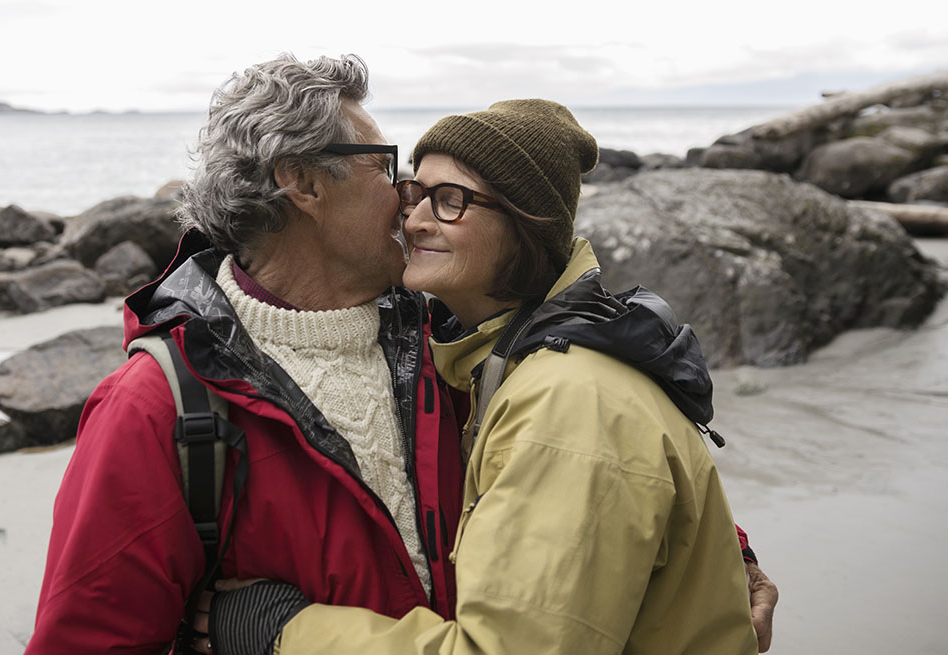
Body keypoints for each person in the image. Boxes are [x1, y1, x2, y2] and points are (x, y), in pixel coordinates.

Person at [199, 100, 769, 654]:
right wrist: (725, 553)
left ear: (526, 227)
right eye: (414, 193)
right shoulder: (486, 359)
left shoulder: (565, 401)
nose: (415, 220)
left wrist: (281, 632)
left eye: (451, 201)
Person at [25, 53, 464, 653]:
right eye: (384, 167)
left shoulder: (450, 348)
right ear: (304, 182)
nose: (408, 194)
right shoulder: (156, 408)